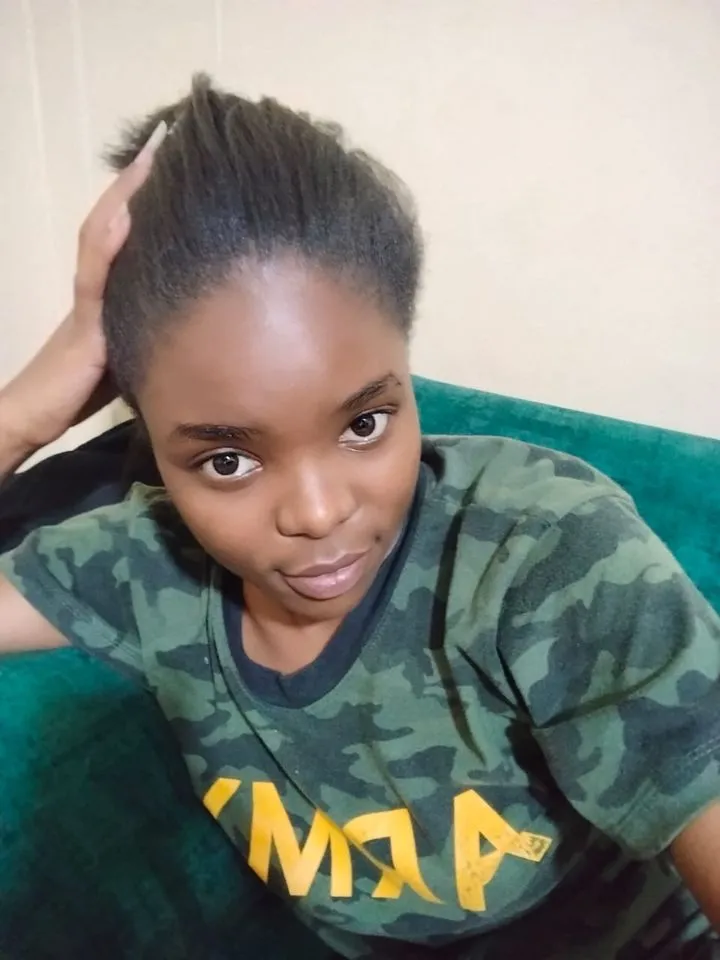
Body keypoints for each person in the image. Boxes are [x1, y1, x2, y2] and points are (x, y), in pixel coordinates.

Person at [1, 75, 720, 959]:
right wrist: (27, 409)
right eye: (228, 461)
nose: (318, 513)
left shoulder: (544, 555)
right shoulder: (145, 568)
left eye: (365, 423)